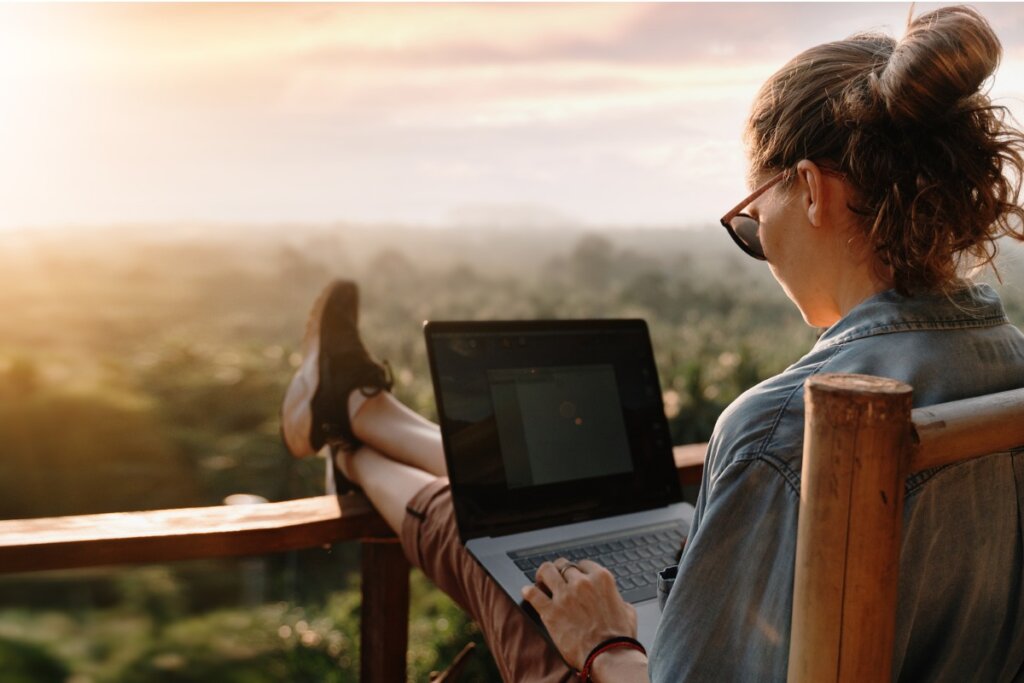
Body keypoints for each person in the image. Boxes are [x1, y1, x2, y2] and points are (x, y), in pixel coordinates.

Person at [280, 6, 1024, 681]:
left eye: (749, 219)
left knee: (494, 547)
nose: (757, 242)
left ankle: (349, 432)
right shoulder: (1012, 371)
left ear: (810, 189)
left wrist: (605, 641)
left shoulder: (784, 429)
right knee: (536, 512)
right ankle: (361, 411)